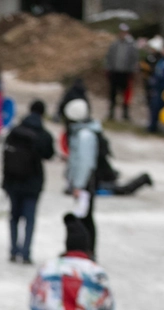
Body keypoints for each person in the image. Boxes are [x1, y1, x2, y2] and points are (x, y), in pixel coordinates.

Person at [0, 99, 55, 265]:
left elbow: (6, 155)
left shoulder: (14, 131)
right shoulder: (44, 135)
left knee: (14, 217)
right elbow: (49, 154)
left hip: (12, 181)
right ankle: (26, 253)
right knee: (30, 219)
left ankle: (13, 250)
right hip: (33, 182)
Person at [63, 98, 101, 258]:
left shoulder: (85, 135)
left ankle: (87, 251)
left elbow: (85, 162)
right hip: (83, 182)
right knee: (84, 217)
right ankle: (85, 250)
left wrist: (78, 184)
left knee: (85, 219)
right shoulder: (83, 132)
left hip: (84, 184)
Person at [104, 23, 137, 121]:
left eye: (124, 32)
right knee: (113, 93)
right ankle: (111, 113)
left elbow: (134, 59)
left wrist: (132, 71)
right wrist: (108, 68)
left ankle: (125, 114)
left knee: (126, 94)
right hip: (115, 72)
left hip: (126, 73)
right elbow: (109, 57)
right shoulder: (114, 44)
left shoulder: (131, 45)